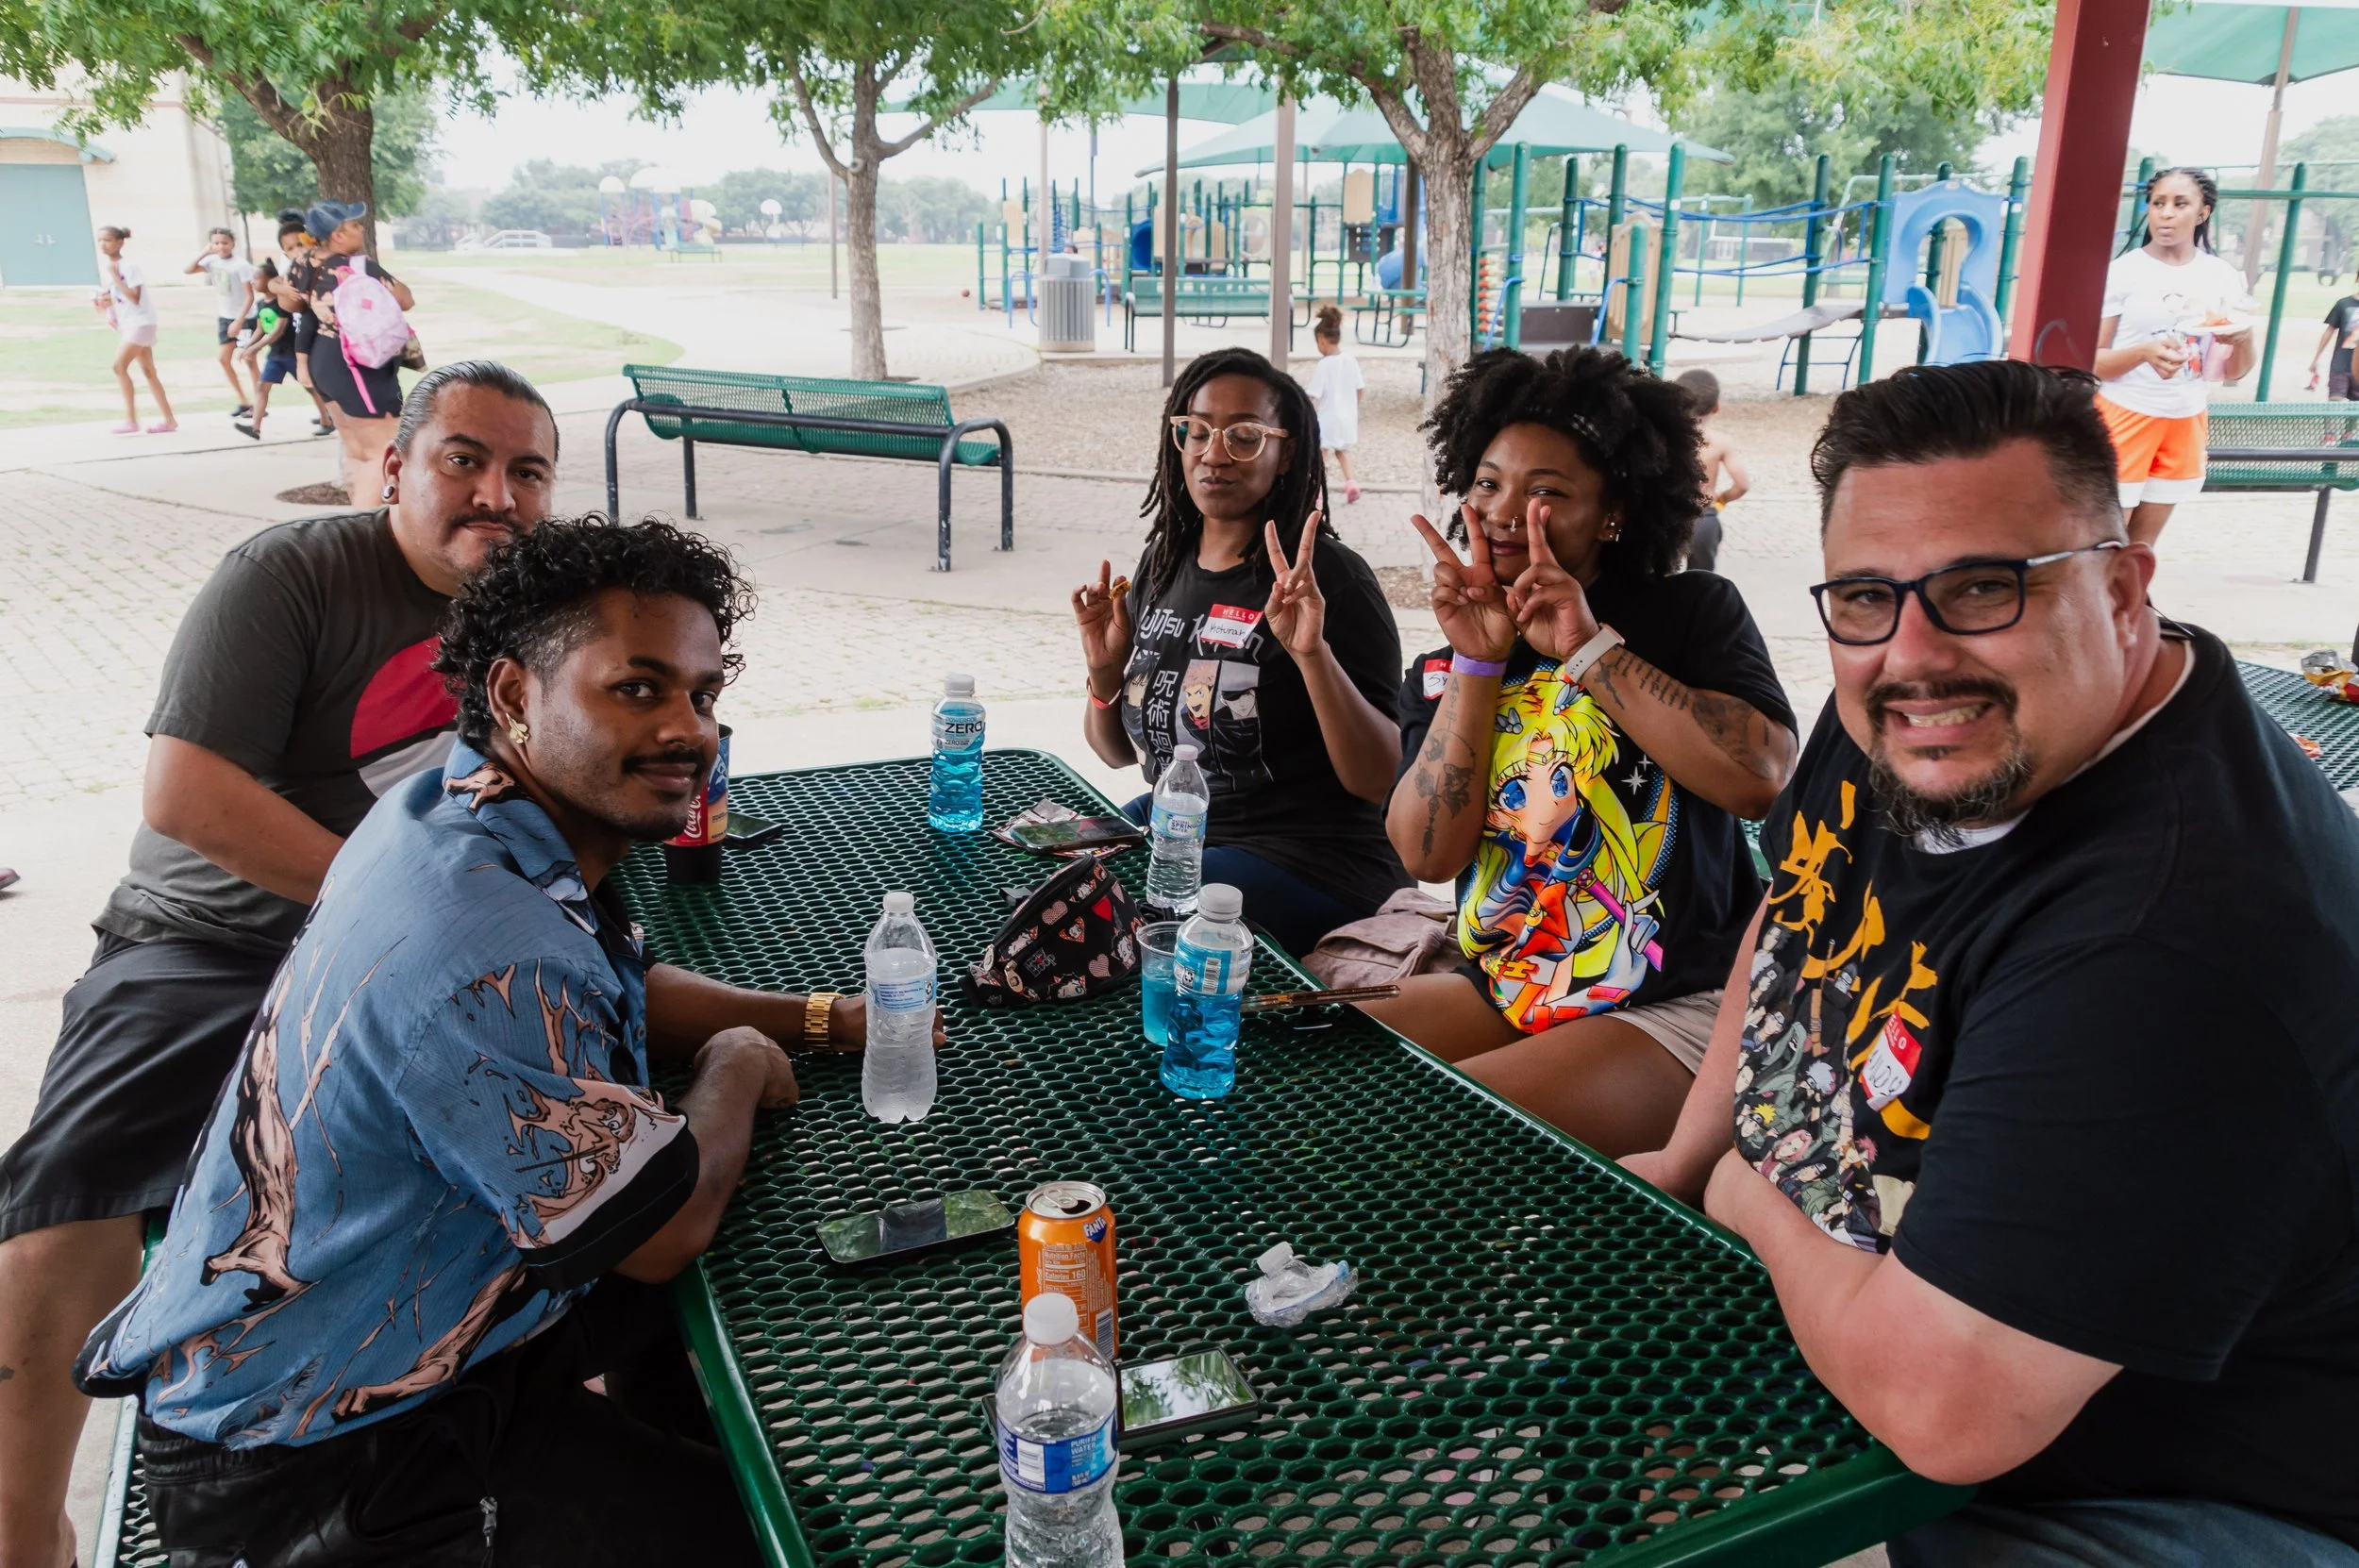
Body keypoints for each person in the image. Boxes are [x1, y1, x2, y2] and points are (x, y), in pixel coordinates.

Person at [1625, 360, 2359, 1566]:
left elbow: (1943, 1412)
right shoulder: (1924, 720)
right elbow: (1794, 922)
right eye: (1865, 597)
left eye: (1983, 588)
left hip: (2182, 1484)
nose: (1914, 653)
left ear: (2123, 586)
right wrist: (1691, 1151)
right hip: (1927, 1331)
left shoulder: (2172, 940)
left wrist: (1742, 1196)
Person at [77, 517, 917, 1565]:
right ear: (518, 695)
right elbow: (659, 1237)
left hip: (427, 1324)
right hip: (317, 1448)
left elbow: (606, 984)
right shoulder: (486, 951)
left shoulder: (454, 807)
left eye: (703, 695)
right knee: (778, 1540)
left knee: (711, 1378)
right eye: (638, 687)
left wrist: (819, 1017)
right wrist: (737, 1066)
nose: (688, 730)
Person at [0, 361, 560, 1568]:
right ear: (394, 467)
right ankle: (23, 1528)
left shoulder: (535, 616)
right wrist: (387, 904)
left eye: (528, 472)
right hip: (208, 944)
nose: (496, 495)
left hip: (417, 956)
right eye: (465, 458)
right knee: (64, 1199)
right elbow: (188, 792)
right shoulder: (294, 575)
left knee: (560, 1163)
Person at [1370, 346, 1798, 1157]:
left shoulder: (1690, 613)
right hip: (1503, 982)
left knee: (1434, 1139)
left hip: (1677, 998)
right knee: (1314, 1069)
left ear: (1612, 514)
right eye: (1489, 483)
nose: (1504, 512)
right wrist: (1477, 661)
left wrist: (1587, 648)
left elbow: (1760, 778)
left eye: (1546, 493)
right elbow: (1424, 854)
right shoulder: (1444, 666)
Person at [1072, 345, 1409, 957]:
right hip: (1181, 829)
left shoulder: (1331, 580)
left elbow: (1383, 777)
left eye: (1244, 436)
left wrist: (1311, 655)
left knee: (1120, 921)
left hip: (1309, 855)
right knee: (1059, 874)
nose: (1214, 453)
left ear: (1287, 454)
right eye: (1195, 431)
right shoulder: (1164, 562)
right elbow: (1117, 753)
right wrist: (1103, 672)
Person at [2092, 168, 2257, 547]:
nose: (2165, 214)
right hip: (2124, 415)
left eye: (2180, 204)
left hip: (2185, 418)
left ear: (2203, 213)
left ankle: (2136, 608)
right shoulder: (2123, 272)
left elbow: (2235, 369)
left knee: (2141, 550)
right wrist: (2142, 353)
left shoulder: (2222, 276)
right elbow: (2092, 362)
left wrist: (2244, 338)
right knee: (2107, 546)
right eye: (2157, 203)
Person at [303, 201, 413, 502]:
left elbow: (288, 301)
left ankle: (355, 524)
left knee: (356, 451)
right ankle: (364, 535)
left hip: (323, 361)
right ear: (337, 235)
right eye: (354, 225)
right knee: (382, 451)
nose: (360, 228)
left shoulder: (306, 265)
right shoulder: (360, 267)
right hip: (359, 365)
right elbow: (405, 299)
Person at [93, 225, 176, 435]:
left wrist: (115, 277)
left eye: (108, 240)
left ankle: (131, 420)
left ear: (120, 243)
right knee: (149, 372)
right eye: (100, 240)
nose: (103, 244)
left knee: (118, 367)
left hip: (141, 322)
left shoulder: (127, 267)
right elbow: (118, 297)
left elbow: (134, 297)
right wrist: (105, 300)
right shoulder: (108, 267)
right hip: (130, 322)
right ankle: (169, 420)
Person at [1673, 369, 1748, 573]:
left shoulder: (1666, 439)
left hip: (1669, 515)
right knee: (1701, 580)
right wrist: (1722, 499)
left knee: (1661, 577)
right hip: (1702, 520)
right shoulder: (1721, 442)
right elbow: (1742, 485)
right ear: (1716, 408)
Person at [274, 209, 338, 439]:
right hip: (305, 324)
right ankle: (329, 414)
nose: (296, 250)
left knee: (316, 374)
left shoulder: (319, 260)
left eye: (299, 243)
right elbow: (273, 282)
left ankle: (330, 416)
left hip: (320, 325)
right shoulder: (292, 265)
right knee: (315, 377)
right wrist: (281, 288)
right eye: (289, 248)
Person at [185, 227, 256, 418]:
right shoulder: (211, 261)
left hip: (245, 318)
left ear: (233, 244)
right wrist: (205, 252)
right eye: (216, 243)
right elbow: (188, 269)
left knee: (249, 360)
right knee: (223, 359)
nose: (221, 246)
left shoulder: (241, 265)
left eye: (225, 242)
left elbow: (250, 296)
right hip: (226, 317)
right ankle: (243, 401)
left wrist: (239, 321)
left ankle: (259, 402)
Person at [1302, 304, 1366, 505]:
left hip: (1327, 418)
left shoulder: (1324, 365)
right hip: (1347, 417)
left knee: (1321, 455)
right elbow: (1360, 389)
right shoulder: (1350, 360)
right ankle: (1351, 483)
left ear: (1321, 340)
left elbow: (1313, 394)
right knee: (1342, 451)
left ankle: (1318, 491)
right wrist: (1353, 407)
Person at [2312, 287, 2359, 400]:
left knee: (2355, 407)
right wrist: (2316, 358)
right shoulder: (2343, 304)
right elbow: (2329, 330)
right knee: (2335, 402)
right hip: (2341, 363)